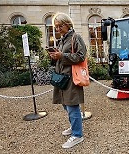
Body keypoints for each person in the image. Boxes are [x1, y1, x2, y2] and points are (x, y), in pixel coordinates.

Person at [48, 12, 87, 149]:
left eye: (60, 26)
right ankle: (74, 127)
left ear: (67, 24)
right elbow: (62, 57)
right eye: (56, 27)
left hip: (71, 78)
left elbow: (81, 56)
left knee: (72, 106)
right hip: (62, 78)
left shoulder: (76, 38)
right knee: (65, 104)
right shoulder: (62, 39)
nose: (57, 29)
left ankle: (77, 135)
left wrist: (62, 55)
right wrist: (55, 57)